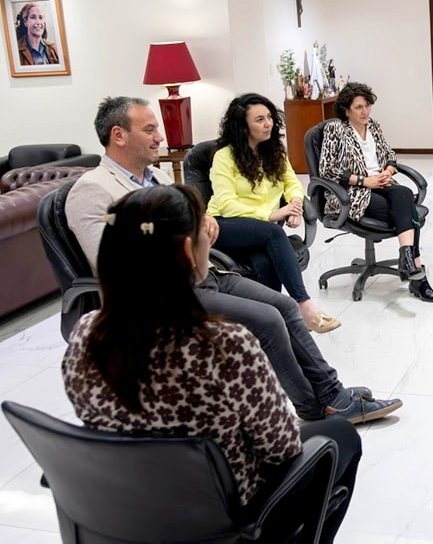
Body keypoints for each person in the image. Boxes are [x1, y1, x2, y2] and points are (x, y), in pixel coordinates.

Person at [66, 96, 402, 424]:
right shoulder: (93, 190)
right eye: (150, 130)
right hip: (169, 292)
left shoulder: (159, 178)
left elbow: (186, 221)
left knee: (285, 306)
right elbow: (111, 263)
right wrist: (183, 240)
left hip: (208, 271)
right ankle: (316, 408)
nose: (160, 138)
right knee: (269, 319)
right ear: (119, 135)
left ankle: (330, 393)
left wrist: (202, 224)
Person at [62, 184, 360, 544]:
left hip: (129, 510)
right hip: (223, 517)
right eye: (202, 229)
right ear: (188, 252)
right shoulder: (228, 346)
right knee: (341, 436)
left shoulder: (84, 335)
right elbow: (281, 449)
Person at [207, 93, 339, 334]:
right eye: (259, 119)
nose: (268, 123)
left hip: (260, 231)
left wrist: (295, 204)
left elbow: (292, 183)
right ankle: (304, 306)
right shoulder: (224, 157)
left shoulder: (274, 152)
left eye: (269, 117)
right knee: (273, 233)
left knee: (265, 260)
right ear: (242, 126)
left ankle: (272, 323)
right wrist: (272, 216)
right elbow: (226, 204)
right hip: (224, 224)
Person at [318, 82, 433, 302]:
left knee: (404, 194)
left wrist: (388, 171)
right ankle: (417, 275)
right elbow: (327, 170)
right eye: (359, 107)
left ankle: (407, 258)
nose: (365, 111)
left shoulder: (373, 125)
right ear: (346, 110)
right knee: (408, 211)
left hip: (382, 183)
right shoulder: (335, 129)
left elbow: (389, 155)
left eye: (367, 105)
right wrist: (365, 181)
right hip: (352, 192)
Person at [16, 2, 60, 66]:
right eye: (33, 17)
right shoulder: (16, 50)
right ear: (25, 22)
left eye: (40, 17)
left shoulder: (53, 48)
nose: (38, 22)